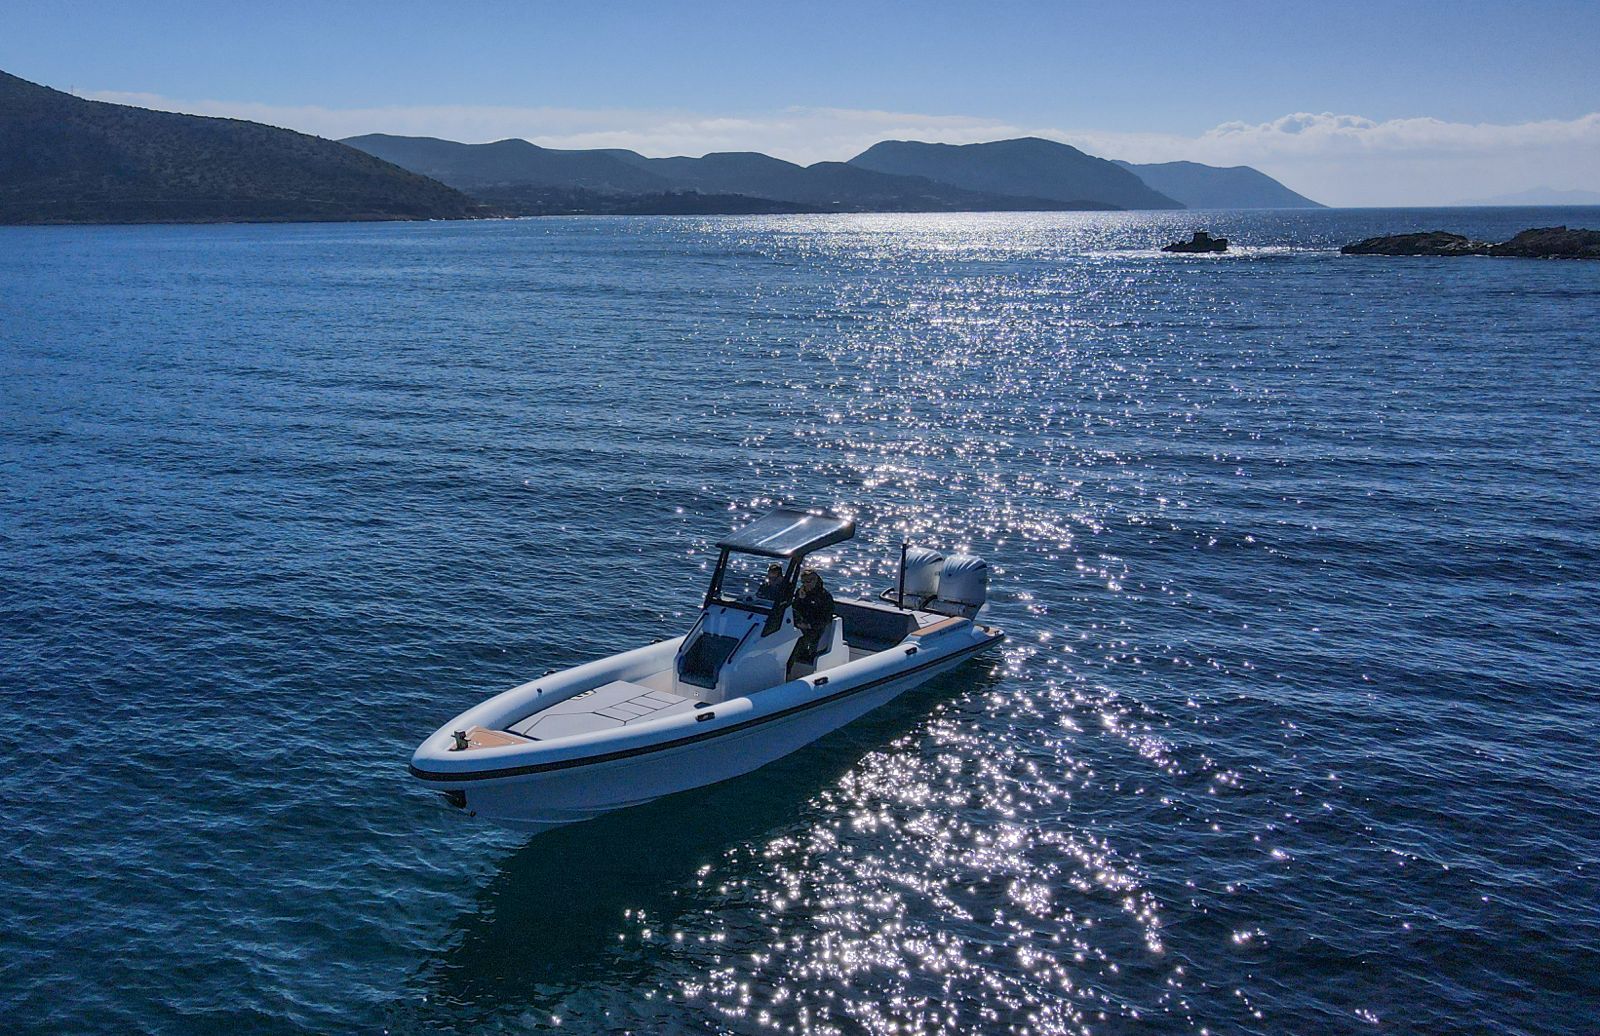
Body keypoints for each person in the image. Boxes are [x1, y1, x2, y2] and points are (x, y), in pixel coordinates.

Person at [790, 569, 835, 665]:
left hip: (814, 629)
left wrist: (809, 625)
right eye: (803, 582)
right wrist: (801, 599)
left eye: (808, 581)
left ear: (815, 580)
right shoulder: (800, 592)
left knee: (796, 642)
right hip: (798, 624)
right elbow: (793, 609)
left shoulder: (824, 597)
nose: (806, 585)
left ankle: (788, 669)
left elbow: (826, 618)